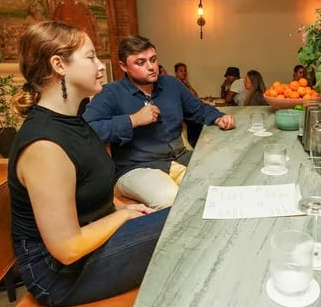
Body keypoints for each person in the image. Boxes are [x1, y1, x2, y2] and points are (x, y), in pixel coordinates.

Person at [8, 21, 167, 307]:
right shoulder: (45, 145)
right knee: (188, 221)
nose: (101, 65)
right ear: (59, 64)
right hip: (60, 275)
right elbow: (67, 249)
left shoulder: (74, 122)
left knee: (185, 214)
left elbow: (84, 196)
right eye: (91, 57)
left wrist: (122, 207)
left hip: (84, 251)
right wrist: (122, 217)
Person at [83, 35, 236, 209]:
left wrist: (218, 117)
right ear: (123, 66)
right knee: (170, 199)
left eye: (153, 60)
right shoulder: (110, 93)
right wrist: (133, 120)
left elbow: (198, 109)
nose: (150, 67)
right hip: (135, 168)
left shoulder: (171, 84)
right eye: (140, 63)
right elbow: (87, 129)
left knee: (222, 183)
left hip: (180, 158)